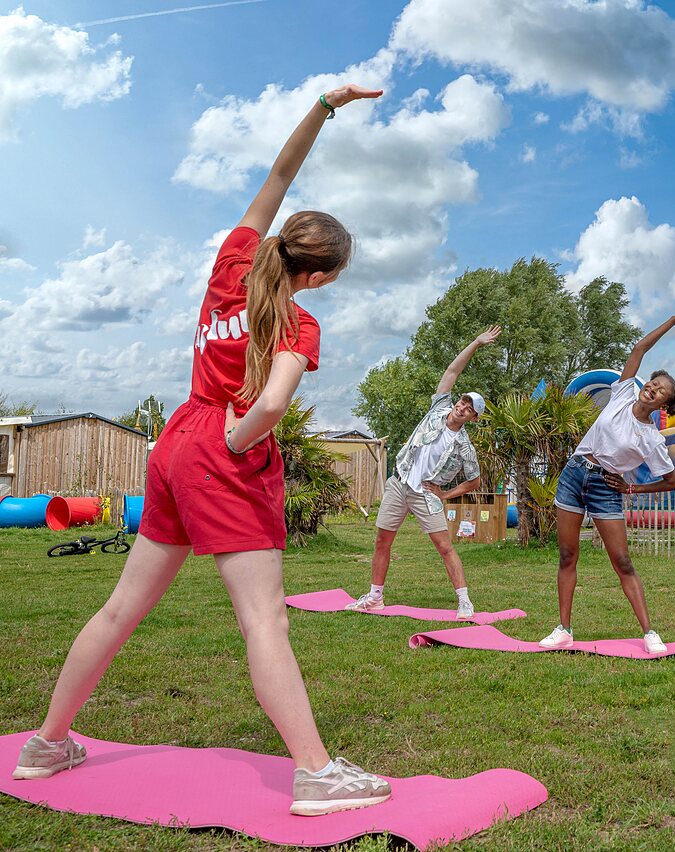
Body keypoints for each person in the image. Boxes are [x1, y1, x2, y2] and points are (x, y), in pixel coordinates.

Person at [13, 85, 394, 817]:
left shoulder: (232, 262)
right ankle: (315, 773)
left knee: (120, 609)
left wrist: (324, 106)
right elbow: (273, 404)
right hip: (221, 451)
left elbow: (278, 175)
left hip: (174, 442)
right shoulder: (298, 323)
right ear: (317, 277)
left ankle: (47, 743)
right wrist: (238, 440)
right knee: (265, 621)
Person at [539, 313, 675, 653]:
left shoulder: (652, 439)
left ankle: (649, 633)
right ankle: (564, 629)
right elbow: (639, 349)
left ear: (664, 404)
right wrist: (672, 322)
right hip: (573, 474)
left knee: (622, 562)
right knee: (567, 555)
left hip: (605, 488)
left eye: (660, 391)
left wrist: (631, 489)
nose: (652, 389)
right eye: (653, 384)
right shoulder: (622, 394)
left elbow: (671, 481)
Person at [346, 327, 501, 616]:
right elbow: (452, 371)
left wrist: (445, 494)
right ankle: (375, 597)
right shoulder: (439, 408)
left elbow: (474, 480)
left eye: (469, 409)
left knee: (444, 547)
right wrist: (476, 343)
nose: (461, 408)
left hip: (426, 495)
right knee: (382, 541)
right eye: (462, 402)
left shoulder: (464, 447)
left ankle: (464, 602)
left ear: (473, 418)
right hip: (399, 482)